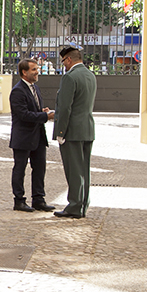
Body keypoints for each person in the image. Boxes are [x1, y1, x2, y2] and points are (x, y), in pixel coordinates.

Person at [53, 45, 97, 218]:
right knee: (84, 169)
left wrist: (60, 132)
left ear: (69, 59)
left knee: (73, 170)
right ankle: (83, 203)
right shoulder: (90, 75)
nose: (63, 64)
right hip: (87, 128)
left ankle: (74, 206)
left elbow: (65, 108)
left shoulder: (70, 77)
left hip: (72, 131)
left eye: (63, 61)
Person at [10, 58, 55, 212]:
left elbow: (32, 111)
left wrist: (41, 112)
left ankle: (38, 199)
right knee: (20, 169)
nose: (37, 72)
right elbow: (23, 115)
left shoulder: (35, 88)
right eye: (34, 69)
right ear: (24, 72)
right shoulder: (17, 91)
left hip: (38, 136)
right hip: (23, 137)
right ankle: (19, 201)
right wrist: (45, 117)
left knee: (40, 168)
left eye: (37, 69)